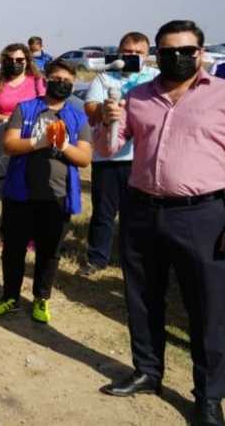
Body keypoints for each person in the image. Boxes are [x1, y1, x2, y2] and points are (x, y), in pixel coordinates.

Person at [96, 20, 225, 426]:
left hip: (202, 214)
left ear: (200, 53)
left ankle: (208, 396)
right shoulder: (137, 97)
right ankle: (148, 372)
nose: (178, 58)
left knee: (207, 308)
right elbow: (109, 147)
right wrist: (106, 120)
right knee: (142, 297)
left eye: (187, 51)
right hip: (142, 211)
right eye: (169, 51)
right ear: (156, 54)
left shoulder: (221, 96)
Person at [0, 59, 92, 324]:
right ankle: (9, 297)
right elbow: (9, 144)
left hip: (58, 195)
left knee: (49, 251)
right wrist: (39, 141)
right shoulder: (27, 108)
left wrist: (63, 145)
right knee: (14, 249)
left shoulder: (78, 117)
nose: (62, 84)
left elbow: (84, 158)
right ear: (46, 79)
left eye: (67, 81)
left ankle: (41, 299)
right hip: (20, 193)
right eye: (56, 78)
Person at [79, 32, 157, 276]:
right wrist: (104, 109)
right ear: (119, 52)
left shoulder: (155, 79)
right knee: (103, 212)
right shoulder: (104, 77)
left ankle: (134, 259)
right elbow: (90, 109)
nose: (132, 56)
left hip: (143, 159)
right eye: (127, 51)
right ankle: (96, 259)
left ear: (147, 55)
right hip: (108, 160)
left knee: (139, 215)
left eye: (138, 53)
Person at [0, 43, 46, 124]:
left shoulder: (37, 81)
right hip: (5, 132)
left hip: (31, 131)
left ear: (27, 61)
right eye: (10, 60)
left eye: (19, 60)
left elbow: (45, 109)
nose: (14, 62)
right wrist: (11, 119)